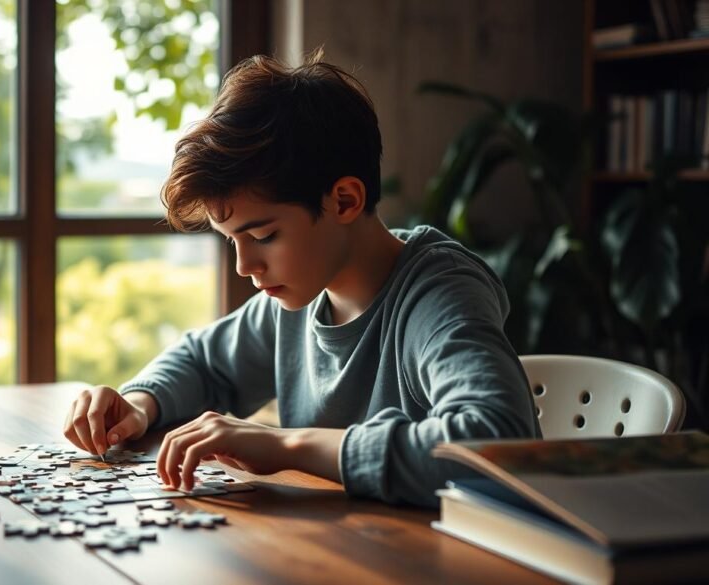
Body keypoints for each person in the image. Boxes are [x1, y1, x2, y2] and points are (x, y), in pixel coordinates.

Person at [62, 49, 539, 508]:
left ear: (345, 201)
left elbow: (497, 444)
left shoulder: (439, 293)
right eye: (232, 241)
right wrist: (139, 405)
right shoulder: (300, 297)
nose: (244, 266)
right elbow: (204, 362)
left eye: (264, 235)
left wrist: (287, 446)